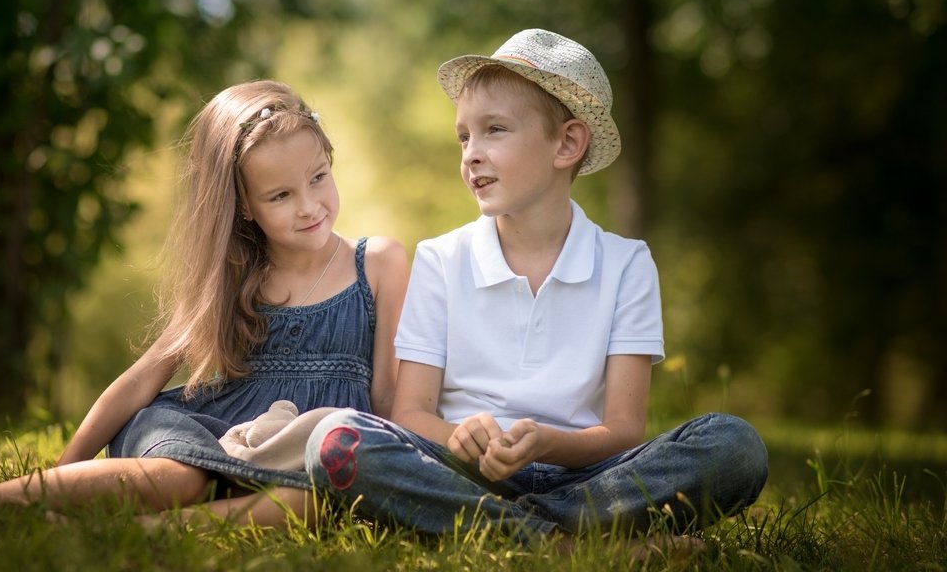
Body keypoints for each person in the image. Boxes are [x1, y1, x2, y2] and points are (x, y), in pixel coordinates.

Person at [304, 29, 768, 545]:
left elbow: (623, 431)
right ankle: (568, 542)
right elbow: (410, 413)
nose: (471, 154)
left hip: (586, 478)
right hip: (466, 472)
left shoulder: (625, 263)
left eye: (494, 130)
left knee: (735, 445)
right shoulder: (441, 258)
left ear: (567, 143)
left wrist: (547, 442)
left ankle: (499, 525)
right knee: (337, 441)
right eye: (464, 136)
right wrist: (460, 438)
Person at [0, 80, 407, 530]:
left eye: (318, 178)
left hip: (310, 452)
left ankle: (148, 531)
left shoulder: (377, 263)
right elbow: (140, 380)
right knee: (184, 477)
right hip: (211, 438)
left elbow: (385, 394)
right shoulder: (237, 277)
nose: (310, 206)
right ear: (244, 206)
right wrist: (67, 467)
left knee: (324, 500)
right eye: (281, 196)